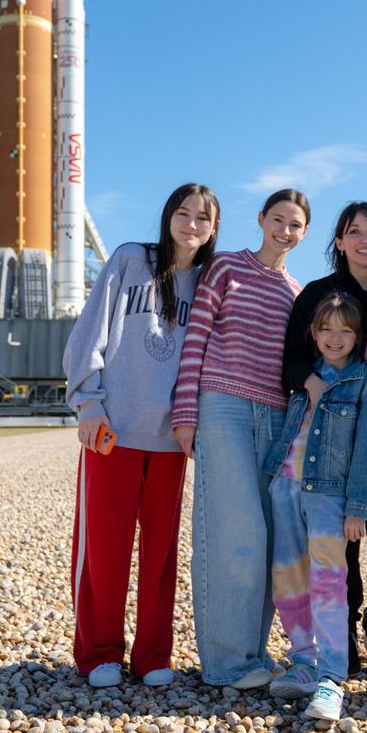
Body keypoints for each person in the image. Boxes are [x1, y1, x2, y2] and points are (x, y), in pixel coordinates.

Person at [63, 183, 219, 687]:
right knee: (104, 549)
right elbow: (91, 331)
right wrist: (88, 403)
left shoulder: (210, 283)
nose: (191, 224)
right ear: (168, 216)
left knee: (160, 554)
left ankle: (154, 655)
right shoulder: (132, 260)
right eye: (183, 213)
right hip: (114, 429)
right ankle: (99, 653)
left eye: (202, 218)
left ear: (213, 229)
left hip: (169, 439)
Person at [172, 189, 309, 687]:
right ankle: (225, 662)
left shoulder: (296, 291)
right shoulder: (226, 267)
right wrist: (186, 411)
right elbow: (197, 339)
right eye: (278, 220)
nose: (285, 231)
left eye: (295, 225)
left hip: (274, 417)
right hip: (222, 406)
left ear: (304, 233)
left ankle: (253, 656)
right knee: (236, 533)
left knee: (268, 539)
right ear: (261, 220)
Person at [281, 201, 367, 675]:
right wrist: (309, 382)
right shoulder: (318, 293)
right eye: (354, 231)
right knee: (343, 539)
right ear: (339, 241)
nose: (365, 239)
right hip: (332, 432)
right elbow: (290, 361)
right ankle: (344, 637)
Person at [262, 291, 367, 722]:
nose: (335, 337)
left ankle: (332, 676)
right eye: (327, 329)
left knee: (330, 581)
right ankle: (304, 661)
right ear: (313, 334)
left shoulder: (363, 380)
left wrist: (359, 507)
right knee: (288, 576)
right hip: (285, 486)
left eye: (345, 330)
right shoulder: (305, 375)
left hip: (329, 496)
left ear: (357, 336)